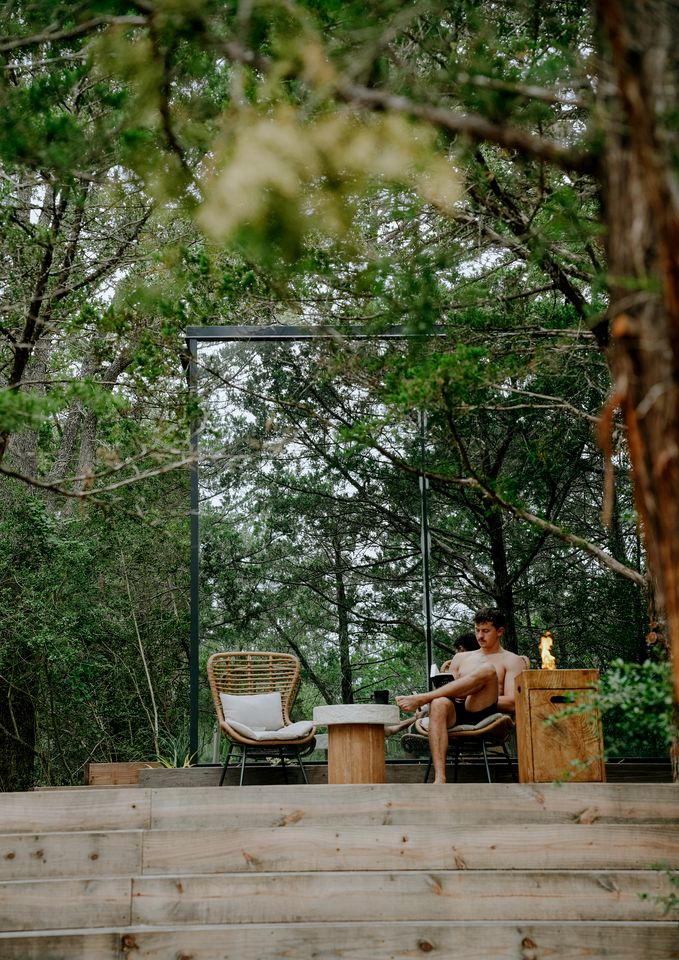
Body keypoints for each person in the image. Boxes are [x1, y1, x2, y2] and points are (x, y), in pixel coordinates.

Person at [395, 607, 525, 784]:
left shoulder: (512, 660)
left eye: (486, 631)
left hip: (484, 709)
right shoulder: (461, 658)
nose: (480, 636)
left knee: (487, 669)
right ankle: (440, 778)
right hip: (456, 712)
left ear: (500, 631)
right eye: (477, 630)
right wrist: (457, 693)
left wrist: (473, 691)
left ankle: (424, 697)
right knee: (440, 702)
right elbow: (451, 688)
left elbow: (512, 702)